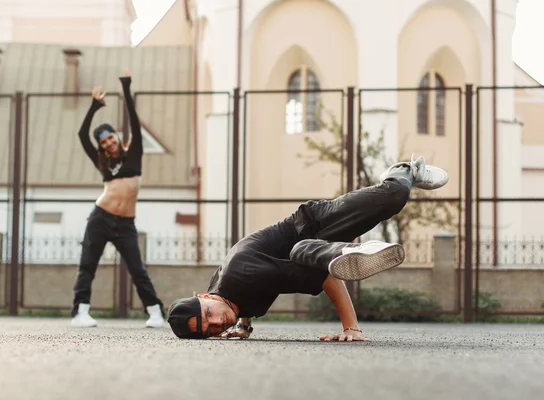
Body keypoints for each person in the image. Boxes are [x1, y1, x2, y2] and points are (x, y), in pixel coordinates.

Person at [167, 155, 448, 340]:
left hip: (313, 224)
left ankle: (404, 169)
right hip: (310, 245)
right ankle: (339, 251)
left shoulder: (241, 276)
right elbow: (241, 299)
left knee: (394, 196)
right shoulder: (224, 296)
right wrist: (243, 325)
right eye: (211, 330)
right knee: (302, 252)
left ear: (204, 297)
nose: (218, 324)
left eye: (208, 315)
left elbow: (326, 277)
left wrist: (350, 327)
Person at [70, 70, 164, 328]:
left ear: (117, 136)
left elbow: (134, 121)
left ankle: (155, 312)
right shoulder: (102, 161)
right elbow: (81, 135)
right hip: (100, 218)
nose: (108, 143)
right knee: (88, 265)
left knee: (137, 269)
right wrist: (93, 107)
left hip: (125, 224)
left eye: (110, 137)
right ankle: (81, 312)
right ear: (100, 146)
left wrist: (125, 87)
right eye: (103, 141)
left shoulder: (133, 153)